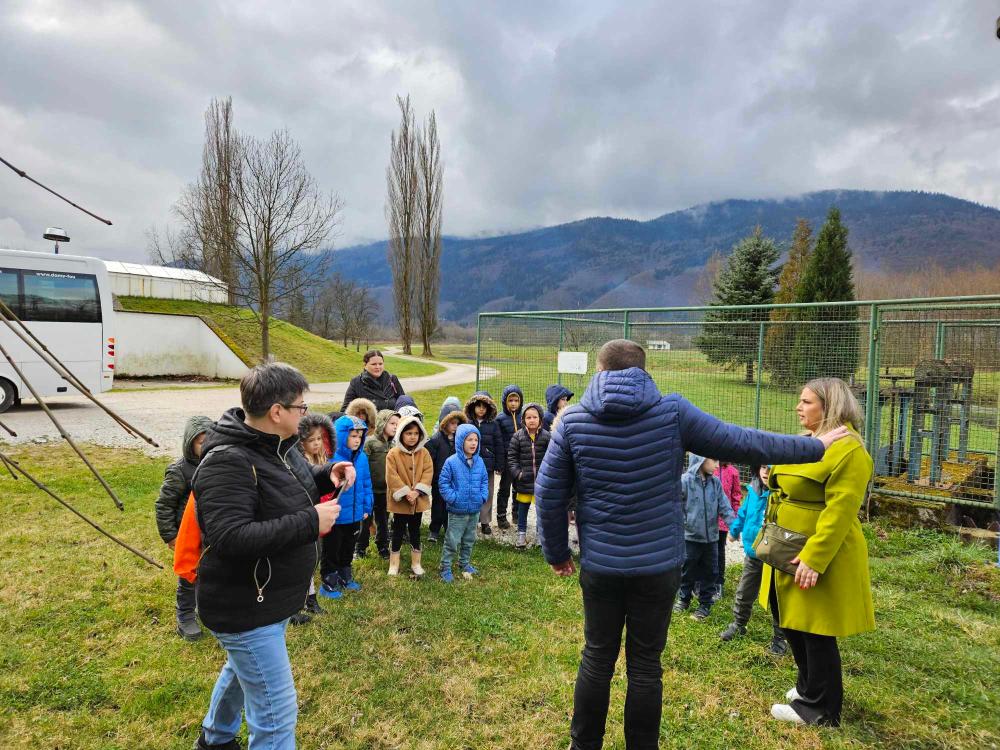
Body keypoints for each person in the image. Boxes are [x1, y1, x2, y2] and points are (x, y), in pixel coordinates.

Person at [534, 339, 848, 750]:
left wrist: (557, 553)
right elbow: (741, 441)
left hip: (603, 567)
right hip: (658, 568)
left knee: (596, 658)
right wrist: (814, 445)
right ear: (645, 372)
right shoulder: (672, 413)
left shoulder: (573, 422)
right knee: (645, 667)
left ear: (600, 371)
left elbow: (549, 493)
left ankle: (583, 746)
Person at [192, 362, 354, 750]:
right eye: (300, 406)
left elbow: (290, 487)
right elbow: (230, 537)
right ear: (277, 412)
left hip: (271, 597)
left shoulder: (279, 447)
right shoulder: (227, 462)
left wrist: (326, 473)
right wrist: (309, 523)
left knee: (240, 668)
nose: (305, 414)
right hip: (244, 606)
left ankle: (214, 739)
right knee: (277, 716)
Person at [762, 377, 874, 728]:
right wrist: (771, 477)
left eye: (807, 402)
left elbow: (841, 511)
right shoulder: (809, 440)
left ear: (831, 405)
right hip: (787, 546)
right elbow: (788, 479)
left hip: (813, 551)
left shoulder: (850, 451)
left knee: (815, 630)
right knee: (793, 623)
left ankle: (821, 710)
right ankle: (807, 689)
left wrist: (815, 557)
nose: (798, 407)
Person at [154, 414, 214, 641]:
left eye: (210, 440)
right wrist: (170, 535)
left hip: (211, 533)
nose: (206, 446)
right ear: (190, 443)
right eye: (201, 442)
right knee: (189, 576)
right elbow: (164, 504)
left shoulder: (216, 465)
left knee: (208, 574)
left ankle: (205, 608)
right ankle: (185, 615)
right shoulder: (180, 470)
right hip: (187, 534)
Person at [720, 465, 788, 655]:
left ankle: (780, 637)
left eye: (771, 467)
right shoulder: (753, 490)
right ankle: (738, 624)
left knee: (776, 596)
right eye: (763, 467)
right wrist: (734, 531)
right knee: (745, 590)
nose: (766, 472)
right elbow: (742, 513)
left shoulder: (782, 495)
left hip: (774, 556)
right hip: (753, 552)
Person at [674, 455, 737, 621]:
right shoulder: (684, 482)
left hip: (711, 539)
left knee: (711, 571)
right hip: (690, 538)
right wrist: (682, 525)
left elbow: (725, 506)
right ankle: (683, 599)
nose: (717, 465)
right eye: (714, 460)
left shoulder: (715, 483)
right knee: (687, 569)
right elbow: (676, 508)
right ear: (700, 460)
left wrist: (734, 527)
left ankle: (705, 604)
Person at [289, 412, 338, 625]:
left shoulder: (323, 461)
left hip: (320, 517)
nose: (317, 444)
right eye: (311, 440)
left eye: (320, 439)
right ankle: (294, 605)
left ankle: (311, 599)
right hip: (304, 518)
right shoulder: (297, 463)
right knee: (300, 561)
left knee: (313, 558)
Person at [319, 415, 373, 600]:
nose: (357, 440)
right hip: (336, 515)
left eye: (360, 436)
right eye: (352, 436)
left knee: (349, 546)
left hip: (355, 514)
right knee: (332, 548)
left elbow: (366, 483)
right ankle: (329, 581)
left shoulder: (363, 458)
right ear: (341, 436)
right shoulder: (331, 459)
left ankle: (344, 575)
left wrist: (367, 505)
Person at [438, 423, 489, 582]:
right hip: (456, 511)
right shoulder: (451, 462)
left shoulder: (480, 461)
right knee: (452, 540)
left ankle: (464, 563)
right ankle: (445, 567)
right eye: (469, 440)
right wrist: (453, 498)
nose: (473, 443)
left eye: (476, 440)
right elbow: (443, 483)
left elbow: (484, 481)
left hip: (474, 509)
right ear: (461, 441)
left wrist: (482, 496)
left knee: (469, 539)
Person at [385, 415, 433, 577]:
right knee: (397, 531)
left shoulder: (424, 453)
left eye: (416, 433)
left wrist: (417, 491)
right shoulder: (393, 454)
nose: (412, 437)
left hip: (417, 501)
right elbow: (391, 476)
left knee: (415, 531)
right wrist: (405, 493)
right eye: (408, 433)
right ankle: (394, 563)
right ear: (400, 434)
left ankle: (416, 563)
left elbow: (428, 472)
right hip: (400, 503)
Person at [507, 402, 551, 549]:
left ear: (540, 419)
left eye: (535, 417)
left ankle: (540, 536)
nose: (531, 420)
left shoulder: (546, 437)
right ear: (523, 420)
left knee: (541, 510)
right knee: (522, 508)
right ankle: (521, 535)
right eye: (528, 417)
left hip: (541, 482)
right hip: (524, 481)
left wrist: (547, 475)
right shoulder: (517, 437)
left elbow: (552, 457)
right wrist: (518, 474)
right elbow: (512, 458)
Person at [357, 409, 399, 560]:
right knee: (365, 520)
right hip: (370, 490)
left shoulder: (393, 445)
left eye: (397, 424)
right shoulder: (370, 443)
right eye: (392, 423)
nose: (395, 426)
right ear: (382, 423)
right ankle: (360, 548)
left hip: (385, 491)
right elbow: (362, 465)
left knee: (383, 520)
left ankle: (382, 547)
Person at [463, 390, 503, 535]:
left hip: (487, 465)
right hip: (470, 464)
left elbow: (499, 444)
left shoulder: (493, 425)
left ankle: (485, 521)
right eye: (478, 405)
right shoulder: (467, 423)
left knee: (487, 492)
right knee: (471, 492)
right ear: (472, 407)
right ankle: (471, 520)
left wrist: (499, 464)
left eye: (484, 406)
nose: (481, 409)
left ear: (489, 408)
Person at [425, 408, 467, 544]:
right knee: (438, 504)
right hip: (439, 479)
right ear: (444, 423)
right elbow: (429, 460)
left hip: (454, 480)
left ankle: (450, 529)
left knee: (452, 505)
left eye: (457, 423)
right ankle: (434, 530)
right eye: (452, 423)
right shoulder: (436, 440)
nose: (455, 426)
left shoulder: (459, 440)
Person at [495, 384, 524, 530]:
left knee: (518, 488)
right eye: (510, 400)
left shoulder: (523, 417)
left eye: (516, 401)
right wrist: (499, 463)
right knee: (504, 488)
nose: (513, 404)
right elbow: (499, 442)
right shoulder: (500, 419)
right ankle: (501, 516)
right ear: (505, 402)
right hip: (507, 460)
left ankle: (516, 514)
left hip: (520, 461)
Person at [713, 460, 743, 601]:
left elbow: (736, 496)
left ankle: (718, 583)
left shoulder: (733, 472)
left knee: (719, 551)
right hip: (705, 519)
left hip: (723, 521)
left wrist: (734, 521)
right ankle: (699, 581)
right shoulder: (708, 466)